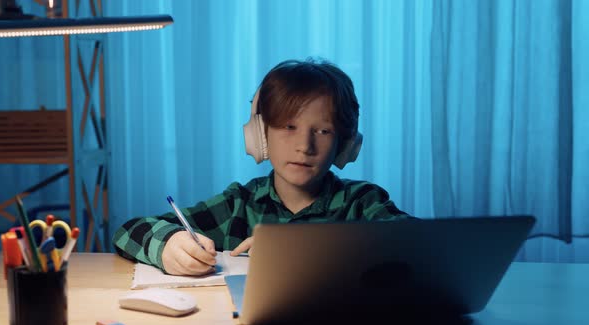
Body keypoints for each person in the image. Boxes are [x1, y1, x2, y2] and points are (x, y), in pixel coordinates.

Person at [113, 58, 410, 276]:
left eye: (323, 131)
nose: (304, 145)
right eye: (288, 127)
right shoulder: (238, 206)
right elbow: (127, 231)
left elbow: (418, 244)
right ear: (260, 136)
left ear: (344, 144)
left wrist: (308, 249)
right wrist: (169, 244)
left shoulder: (361, 202)